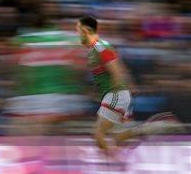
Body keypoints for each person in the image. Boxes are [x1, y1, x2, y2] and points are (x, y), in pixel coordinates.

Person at [76, 16, 182, 158]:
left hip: (115, 95)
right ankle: (161, 125)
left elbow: (116, 70)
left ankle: (117, 164)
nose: (77, 33)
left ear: (86, 30)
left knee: (98, 134)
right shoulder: (97, 48)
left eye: (78, 30)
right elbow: (119, 68)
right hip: (116, 95)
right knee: (119, 137)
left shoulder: (100, 47)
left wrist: (118, 92)